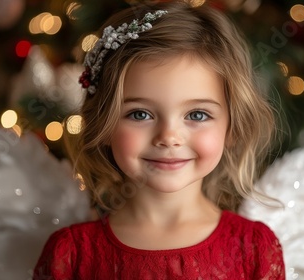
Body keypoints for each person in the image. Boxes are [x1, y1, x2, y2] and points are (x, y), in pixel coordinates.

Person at [33, 1, 285, 279]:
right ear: (103, 123)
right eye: (140, 114)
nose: (168, 138)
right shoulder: (70, 255)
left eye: (197, 115)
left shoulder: (255, 249)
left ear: (233, 127)